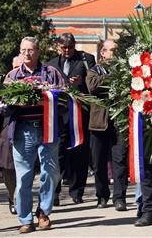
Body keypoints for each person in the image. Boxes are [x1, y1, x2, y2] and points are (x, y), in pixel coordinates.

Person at [0, 37, 64, 234]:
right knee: (24, 176)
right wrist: (14, 103)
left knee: (50, 173)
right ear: (20, 52)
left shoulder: (51, 74)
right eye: (23, 50)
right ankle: (25, 218)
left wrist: (50, 98)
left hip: (48, 128)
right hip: (23, 130)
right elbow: (1, 106)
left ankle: (43, 212)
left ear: (38, 51)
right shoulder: (12, 76)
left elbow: (65, 98)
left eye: (31, 50)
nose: (27, 53)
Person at [48, 32, 95, 205]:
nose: (67, 50)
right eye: (63, 47)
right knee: (57, 154)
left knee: (79, 153)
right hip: (58, 116)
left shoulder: (86, 59)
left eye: (70, 47)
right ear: (58, 47)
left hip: (79, 115)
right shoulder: (51, 64)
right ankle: (54, 191)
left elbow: (92, 82)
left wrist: (81, 82)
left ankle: (77, 191)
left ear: (74, 46)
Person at [86, 39, 129, 210]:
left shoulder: (126, 70)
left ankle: (120, 198)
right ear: (102, 53)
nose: (113, 54)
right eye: (110, 50)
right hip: (98, 123)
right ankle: (102, 195)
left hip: (120, 123)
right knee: (98, 163)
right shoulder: (93, 70)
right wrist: (114, 77)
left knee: (120, 161)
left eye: (116, 50)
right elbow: (93, 87)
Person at [0, 55, 23, 215]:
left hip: (26, 127)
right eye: (16, 67)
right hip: (5, 129)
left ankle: (22, 197)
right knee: (7, 166)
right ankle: (13, 195)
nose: (18, 71)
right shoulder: (4, 83)